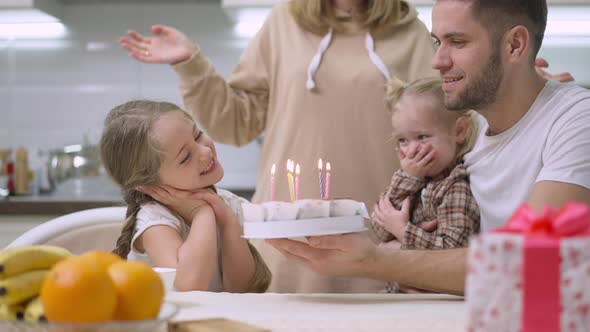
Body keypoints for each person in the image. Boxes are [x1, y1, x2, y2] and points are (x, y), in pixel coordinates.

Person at [120, 0, 572, 294]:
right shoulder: (283, 24)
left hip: (383, 236)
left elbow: (456, 112)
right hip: (289, 229)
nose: (443, 51)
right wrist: (191, 65)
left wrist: (528, 92)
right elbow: (234, 123)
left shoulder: (412, 32)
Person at [268, 0, 590, 296]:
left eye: (458, 42)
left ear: (514, 45)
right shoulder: (464, 137)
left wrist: (374, 259)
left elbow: (531, 258)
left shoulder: (575, 118)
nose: (437, 61)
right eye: (438, 42)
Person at [100, 100, 271, 292]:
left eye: (197, 136)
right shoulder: (155, 221)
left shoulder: (225, 203)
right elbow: (189, 289)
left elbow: (242, 291)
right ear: (149, 185)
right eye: (186, 157)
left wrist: (228, 223)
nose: (205, 151)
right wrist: (202, 213)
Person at [369, 77, 480, 252]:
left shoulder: (454, 188)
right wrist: (408, 179)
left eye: (422, 137)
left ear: (459, 131)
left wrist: (402, 230)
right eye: (402, 140)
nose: (412, 150)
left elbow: (453, 251)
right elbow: (379, 230)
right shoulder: (409, 181)